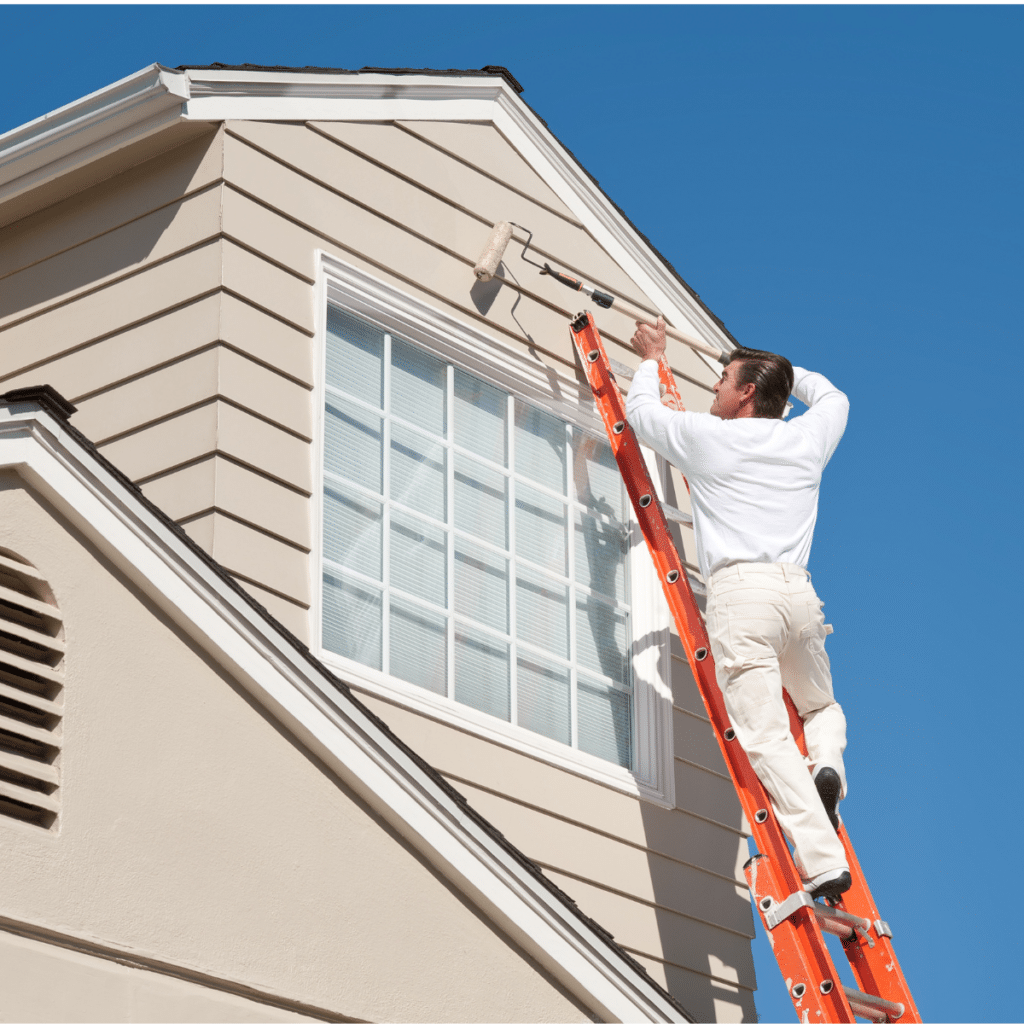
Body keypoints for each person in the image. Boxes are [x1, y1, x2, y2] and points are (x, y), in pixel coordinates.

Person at [625, 317, 851, 902]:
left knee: (767, 736)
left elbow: (643, 416)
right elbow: (832, 396)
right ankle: (827, 764)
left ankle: (824, 862)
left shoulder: (710, 437)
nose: (716, 388)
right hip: (799, 595)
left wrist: (652, 356)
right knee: (820, 706)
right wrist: (781, 369)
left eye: (726, 378)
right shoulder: (806, 440)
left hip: (743, 596)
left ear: (748, 392)